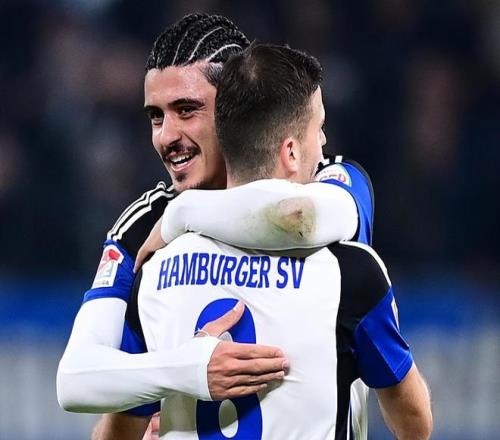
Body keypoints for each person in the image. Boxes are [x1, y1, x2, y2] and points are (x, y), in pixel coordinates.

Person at [56, 13, 374, 439]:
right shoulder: (141, 226)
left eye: (187, 110)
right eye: (156, 117)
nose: (166, 136)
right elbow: (75, 380)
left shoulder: (321, 179)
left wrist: (183, 215)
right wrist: (188, 371)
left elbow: (304, 217)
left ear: (232, 108)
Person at [98, 43, 432, 439]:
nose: (323, 141)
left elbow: (116, 434)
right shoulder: (348, 272)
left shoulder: (155, 273)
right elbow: (414, 421)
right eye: (318, 129)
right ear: (290, 151)